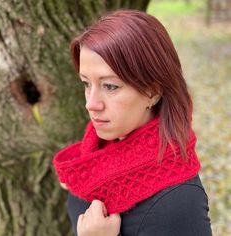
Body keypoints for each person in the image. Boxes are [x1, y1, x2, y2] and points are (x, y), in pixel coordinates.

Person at [53, 9, 212, 236]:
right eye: (86, 83)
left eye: (110, 86)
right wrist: (85, 180)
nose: (91, 103)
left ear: (153, 91)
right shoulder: (97, 153)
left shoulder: (177, 203)